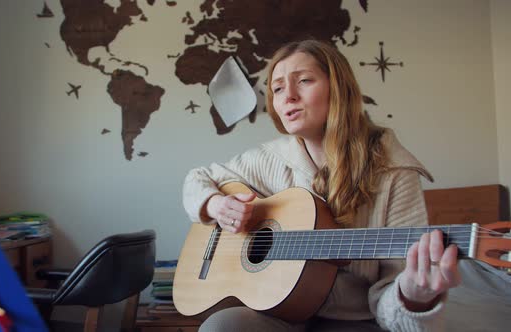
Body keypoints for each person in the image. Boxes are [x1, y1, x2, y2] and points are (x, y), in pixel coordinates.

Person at [182, 39, 460, 331]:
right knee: (221, 326)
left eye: (303, 80)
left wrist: (414, 296)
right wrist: (216, 204)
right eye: (277, 88)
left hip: (357, 319)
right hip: (281, 314)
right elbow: (197, 179)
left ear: (338, 88)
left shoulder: (394, 169)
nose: (287, 96)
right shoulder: (269, 158)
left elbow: (396, 296)